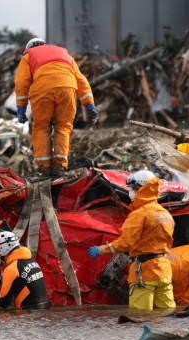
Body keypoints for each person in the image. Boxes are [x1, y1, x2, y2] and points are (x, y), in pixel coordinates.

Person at [88, 170, 176, 311]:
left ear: (142, 189)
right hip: (164, 270)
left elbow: (125, 243)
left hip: (145, 271)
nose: (131, 192)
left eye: (133, 189)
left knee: (140, 315)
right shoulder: (165, 214)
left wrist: (101, 249)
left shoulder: (139, 215)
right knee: (167, 312)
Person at [14, 37, 98, 176]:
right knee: (64, 127)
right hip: (68, 88)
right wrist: (89, 105)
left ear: (29, 48)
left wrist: (21, 109)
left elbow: (21, 83)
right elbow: (81, 80)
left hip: (42, 90)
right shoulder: (65, 54)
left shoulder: (29, 56)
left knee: (41, 127)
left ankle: (45, 168)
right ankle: (60, 166)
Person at [0, 231, 50, 310]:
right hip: (43, 310)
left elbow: (4, 302)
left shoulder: (11, 269)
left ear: (3, 248)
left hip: (28, 314)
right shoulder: (31, 261)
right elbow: (19, 282)